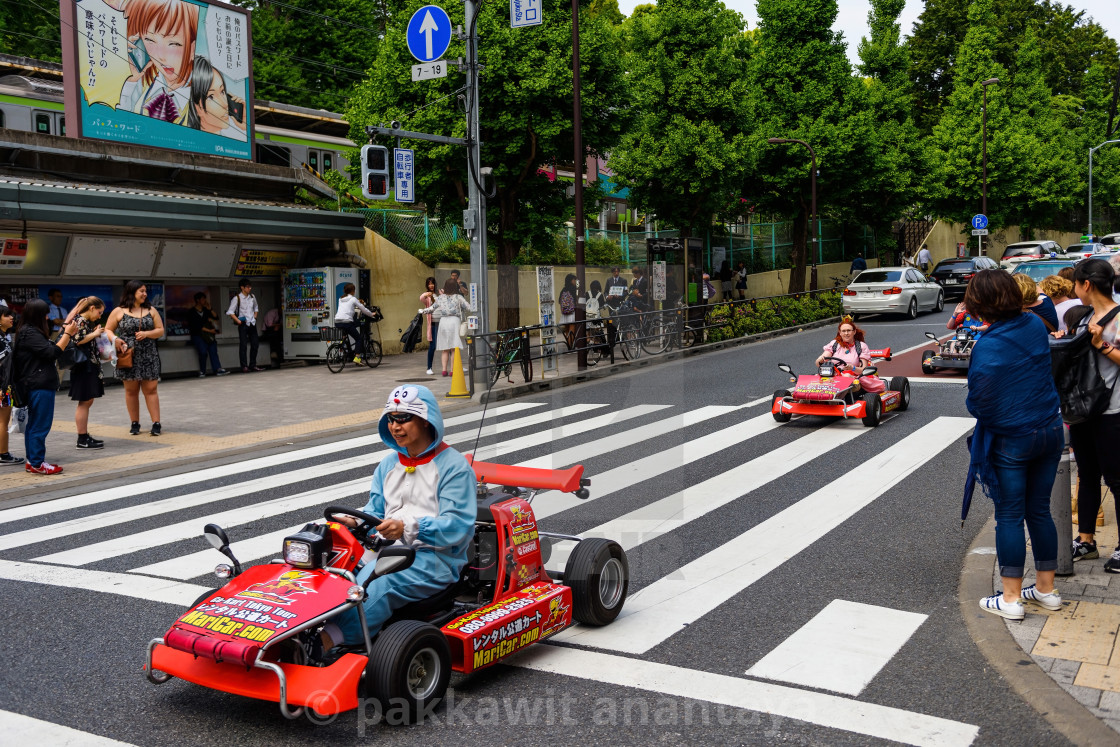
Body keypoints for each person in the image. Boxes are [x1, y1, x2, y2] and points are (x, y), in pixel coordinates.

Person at [319, 384, 474, 651]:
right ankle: (296, 627)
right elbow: (376, 509)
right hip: (383, 548)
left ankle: (330, 642)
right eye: (391, 419)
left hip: (436, 558)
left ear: (426, 421)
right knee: (329, 568)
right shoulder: (389, 464)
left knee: (375, 582)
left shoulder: (454, 467)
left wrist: (408, 527)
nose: (395, 426)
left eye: (404, 418)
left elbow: (457, 526)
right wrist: (356, 521)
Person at [962, 270, 1064, 619]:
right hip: (1050, 429)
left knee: (1009, 515)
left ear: (981, 303)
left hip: (1013, 438)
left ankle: (1011, 598)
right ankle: (1047, 590)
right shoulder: (1034, 325)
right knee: (1039, 510)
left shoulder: (988, 346)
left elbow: (980, 403)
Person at [1059, 260, 1120, 570]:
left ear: (1087, 285)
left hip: (1113, 411)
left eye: (1076, 285)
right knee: (1087, 475)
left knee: (1117, 479)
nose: (1073, 290)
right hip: (1084, 411)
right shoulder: (1083, 318)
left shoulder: (1118, 318)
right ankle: (1086, 541)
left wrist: (1102, 344)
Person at [13, 299, 79, 474]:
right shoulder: (30, 333)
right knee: (40, 425)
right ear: (37, 315)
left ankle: (33, 461)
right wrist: (68, 335)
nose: (48, 316)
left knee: (34, 425)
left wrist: (72, 319)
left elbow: (50, 347)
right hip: (38, 385)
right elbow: (52, 353)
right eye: (45, 314)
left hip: (35, 384)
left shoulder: (28, 331)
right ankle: (37, 463)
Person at [116, 0, 199, 124]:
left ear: (192, 47)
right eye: (149, 40)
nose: (161, 57)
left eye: (174, 43)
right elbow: (119, 124)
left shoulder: (206, 90)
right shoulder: (142, 84)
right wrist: (130, 80)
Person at [106, 280, 164, 436]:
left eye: (145, 291)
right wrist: (116, 340)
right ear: (131, 293)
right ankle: (135, 423)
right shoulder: (118, 311)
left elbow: (160, 330)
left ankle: (156, 423)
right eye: (141, 291)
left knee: (151, 389)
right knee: (131, 391)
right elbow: (108, 330)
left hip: (149, 354)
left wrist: (147, 334)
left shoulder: (151, 310)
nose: (145, 294)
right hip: (128, 354)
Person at [68, 297, 108, 449]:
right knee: (84, 401)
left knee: (87, 400)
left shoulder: (82, 320)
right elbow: (78, 340)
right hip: (83, 366)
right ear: (91, 308)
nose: (100, 315)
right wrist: (95, 333)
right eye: (99, 312)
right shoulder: (80, 321)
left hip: (87, 366)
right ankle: (82, 438)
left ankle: (84, 436)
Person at [814, 318, 885, 393]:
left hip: (854, 377)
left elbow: (863, 370)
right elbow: (821, 360)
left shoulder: (861, 346)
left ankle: (835, 401)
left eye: (848, 330)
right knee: (815, 378)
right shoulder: (834, 344)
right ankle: (806, 400)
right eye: (843, 331)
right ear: (840, 333)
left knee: (846, 376)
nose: (846, 333)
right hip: (834, 375)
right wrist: (820, 359)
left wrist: (852, 368)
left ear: (854, 332)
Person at [185, 57, 246, 140]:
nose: (225, 104)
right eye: (211, 96)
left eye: (222, 91)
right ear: (197, 108)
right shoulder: (189, 141)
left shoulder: (231, 143)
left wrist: (246, 127)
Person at [419, 279, 471, 376]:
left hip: (443, 322)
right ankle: (452, 370)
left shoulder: (440, 298)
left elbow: (431, 308)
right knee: (454, 348)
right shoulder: (458, 297)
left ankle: (444, 370)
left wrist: (422, 311)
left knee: (445, 348)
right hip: (455, 322)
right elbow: (468, 307)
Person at [334, 283, 378, 363]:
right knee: (358, 338)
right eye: (354, 290)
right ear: (352, 291)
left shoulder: (340, 299)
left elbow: (345, 309)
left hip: (337, 321)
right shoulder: (353, 299)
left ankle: (343, 340)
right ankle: (357, 357)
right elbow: (363, 309)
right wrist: (371, 314)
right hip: (346, 322)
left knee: (351, 325)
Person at [226, 278, 263, 372]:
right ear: (242, 287)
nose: (249, 288)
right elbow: (230, 311)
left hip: (252, 323)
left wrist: (255, 317)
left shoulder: (252, 297)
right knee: (243, 345)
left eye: (250, 286)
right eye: (247, 286)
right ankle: (244, 366)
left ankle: (253, 365)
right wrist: (238, 321)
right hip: (243, 324)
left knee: (255, 344)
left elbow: (256, 308)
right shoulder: (237, 298)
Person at [187, 292, 227, 377]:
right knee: (203, 352)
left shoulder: (206, 310)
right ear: (198, 300)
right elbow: (196, 326)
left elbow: (216, 317)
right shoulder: (192, 312)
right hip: (198, 335)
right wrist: (210, 331)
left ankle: (217, 369)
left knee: (213, 350)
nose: (205, 301)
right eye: (203, 299)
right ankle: (202, 370)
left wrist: (210, 309)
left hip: (209, 336)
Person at [0, 303, 21, 465]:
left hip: (4, 385)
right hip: (2, 387)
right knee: (2, 421)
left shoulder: (4, 336)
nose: (11, 318)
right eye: (7, 315)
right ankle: (3, 454)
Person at [420, 276, 439, 375]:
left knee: (449, 345)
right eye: (429, 284)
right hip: (433, 323)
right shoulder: (427, 296)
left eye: (432, 283)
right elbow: (421, 298)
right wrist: (427, 294)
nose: (431, 285)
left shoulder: (439, 294)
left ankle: (454, 366)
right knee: (433, 345)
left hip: (442, 322)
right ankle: (429, 367)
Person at [558, 274, 578, 348]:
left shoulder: (564, 289)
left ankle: (568, 344)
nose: (575, 281)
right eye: (574, 280)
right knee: (572, 329)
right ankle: (571, 345)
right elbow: (576, 300)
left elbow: (559, 301)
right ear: (571, 280)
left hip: (565, 312)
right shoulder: (573, 289)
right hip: (572, 312)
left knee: (567, 330)